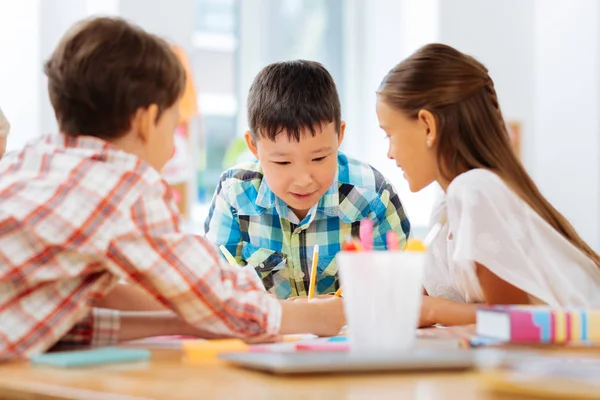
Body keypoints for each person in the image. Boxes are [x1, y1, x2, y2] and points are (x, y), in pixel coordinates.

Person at [0, 17, 345, 361]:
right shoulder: (125, 187)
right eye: (175, 118)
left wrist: (196, 321)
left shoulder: (28, 161)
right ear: (147, 121)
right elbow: (214, 295)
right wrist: (313, 316)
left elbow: (69, 316)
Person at [375, 43, 600, 326]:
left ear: (428, 126)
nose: (390, 153)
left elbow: (513, 323)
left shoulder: (474, 191)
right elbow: (420, 299)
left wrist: (432, 310)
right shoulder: (446, 209)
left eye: (389, 135)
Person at [205, 60, 410, 299]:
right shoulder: (234, 195)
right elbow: (215, 291)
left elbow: (400, 293)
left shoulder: (373, 196)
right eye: (283, 162)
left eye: (319, 158)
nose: (303, 180)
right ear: (253, 146)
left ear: (339, 136)